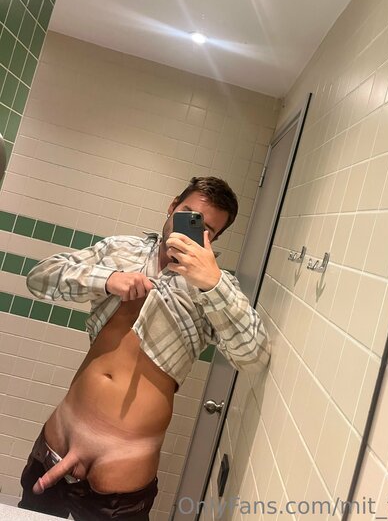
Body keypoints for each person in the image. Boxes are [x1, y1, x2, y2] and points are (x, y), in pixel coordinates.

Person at [18, 176, 271, 520]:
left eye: (207, 229)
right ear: (172, 206)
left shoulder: (216, 287)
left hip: (124, 468)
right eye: (188, 214)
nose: (193, 229)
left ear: (214, 239)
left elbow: (254, 356)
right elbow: (40, 277)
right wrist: (107, 279)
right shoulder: (120, 250)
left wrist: (211, 283)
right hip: (57, 441)